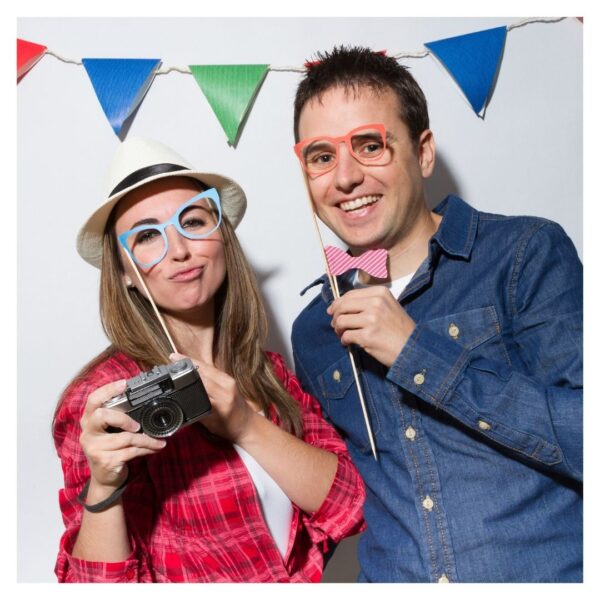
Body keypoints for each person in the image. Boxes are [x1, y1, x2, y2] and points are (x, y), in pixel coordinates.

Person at [290, 46, 582, 583]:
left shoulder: (523, 254)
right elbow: (344, 496)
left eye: (370, 145)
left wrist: (414, 351)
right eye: (322, 156)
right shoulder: (314, 328)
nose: (346, 178)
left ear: (423, 153)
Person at [52, 137, 364, 583]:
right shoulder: (106, 397)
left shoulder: (268, 371)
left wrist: (243, 423)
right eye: (146, 236)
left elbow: (354, 506)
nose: (179, 250)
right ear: (124, 274)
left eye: (193, 221)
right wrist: (104, 487)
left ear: (222, 237)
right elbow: (95, 588)